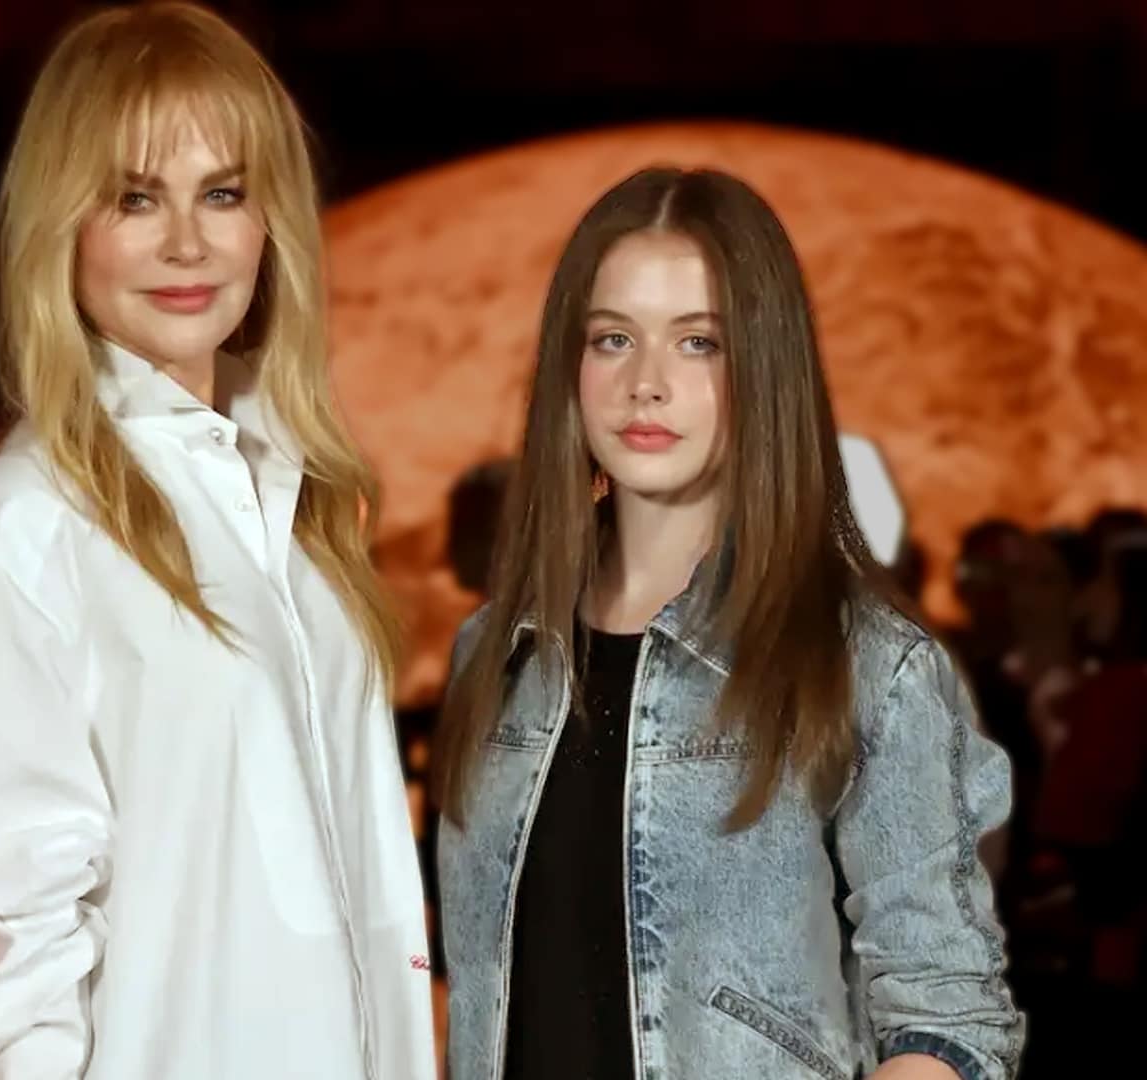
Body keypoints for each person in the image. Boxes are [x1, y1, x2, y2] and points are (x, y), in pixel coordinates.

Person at [0, 4, 434, 1077]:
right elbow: (19, 916)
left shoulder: (301, 507)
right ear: (60, 227)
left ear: (271, 222)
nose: (188, 243)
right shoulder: (29, 523)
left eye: (223, 193)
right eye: (134, 199)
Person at [432, 168, 1024, 1080]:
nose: (646, 383)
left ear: (764, 364)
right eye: (613, 338)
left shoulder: (867, 664)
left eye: (698, 342)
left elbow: (946, 1016)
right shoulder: (499, 653)